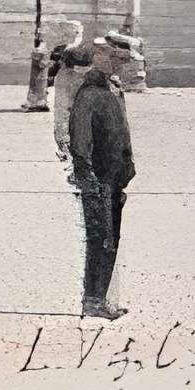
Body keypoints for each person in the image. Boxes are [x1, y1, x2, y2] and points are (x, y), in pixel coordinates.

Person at [67, 32, 139, 321]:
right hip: (98, 181)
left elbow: (120, 135)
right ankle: (93, 301)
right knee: (100, 241)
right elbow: (80, 142)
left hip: (113, 179)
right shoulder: (89, 94)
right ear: (100, 59)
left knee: (110, 240)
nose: (119, 65)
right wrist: (89, 180)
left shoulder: (112, 91)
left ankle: (99, 299)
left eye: (122, 60)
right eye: (115, 59)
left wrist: (126, 170)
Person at [44, 20, 94, 157]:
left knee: (76, 114)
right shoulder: (61, 49)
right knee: (64, 115)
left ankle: (75, 148)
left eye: (77, 32)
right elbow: (52, 70)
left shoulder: (86, 48)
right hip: (66, 84)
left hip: (78, 84)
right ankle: (65, 147)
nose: (76, 34)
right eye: (74, 32)